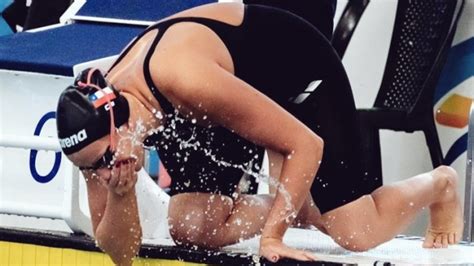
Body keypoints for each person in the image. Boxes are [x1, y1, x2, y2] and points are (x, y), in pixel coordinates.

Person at [55, 2, 463, 265]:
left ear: (119, 120)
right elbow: (119, 254)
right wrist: (120, 193)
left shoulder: (183, 79)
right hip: (219, 98)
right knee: (191, 226)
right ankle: (298, 201)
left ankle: (440, 184)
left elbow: (306, 143)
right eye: (95, 168)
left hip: (297, 70)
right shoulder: (96, 131)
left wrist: (274, 236)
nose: (105, 171)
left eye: (106, 162)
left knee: (355, 231)